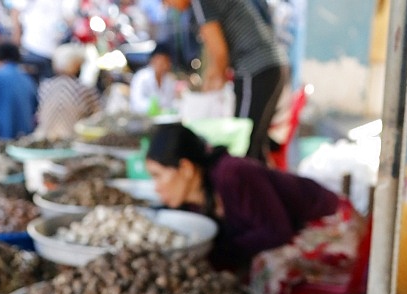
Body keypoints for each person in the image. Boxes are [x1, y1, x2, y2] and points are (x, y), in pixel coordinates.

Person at [145, 122, 343, 273]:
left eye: (158, 175)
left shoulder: (234, 175)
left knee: (266, 269)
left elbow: (277, 231)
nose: (156, 188)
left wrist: (214, 252)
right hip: (293, 225)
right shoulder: (192, 203)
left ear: (186, 168)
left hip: (331, 220)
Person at [163, 0, 288, 162]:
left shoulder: (200, 2)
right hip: (270, 65)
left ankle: (247, 186)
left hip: (256, 68)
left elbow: (219, 52)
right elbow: (214, 49)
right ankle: (267, 186)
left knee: (243, 142)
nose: (167, 4)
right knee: (256, 143)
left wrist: (213, 84)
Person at [36, 43, 100, 142]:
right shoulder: (84, 89)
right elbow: (98, 117)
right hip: (73, 141)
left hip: (45, 139)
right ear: (78, 66)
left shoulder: (45, 86)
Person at [10, 0, 77, 86]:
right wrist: (16, 36)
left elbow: (69, 17)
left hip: (53, 52)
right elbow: (16, 10)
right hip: (32, 46)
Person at [129, 41, 177, 116]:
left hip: (164, 120)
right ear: (153, 60)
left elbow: (170, 103)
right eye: (159, 61)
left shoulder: (169, 79)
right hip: (142, 119)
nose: (162, 65)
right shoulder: (141, 77)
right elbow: (136, 102)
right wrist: (151, 106)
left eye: (165, 62)